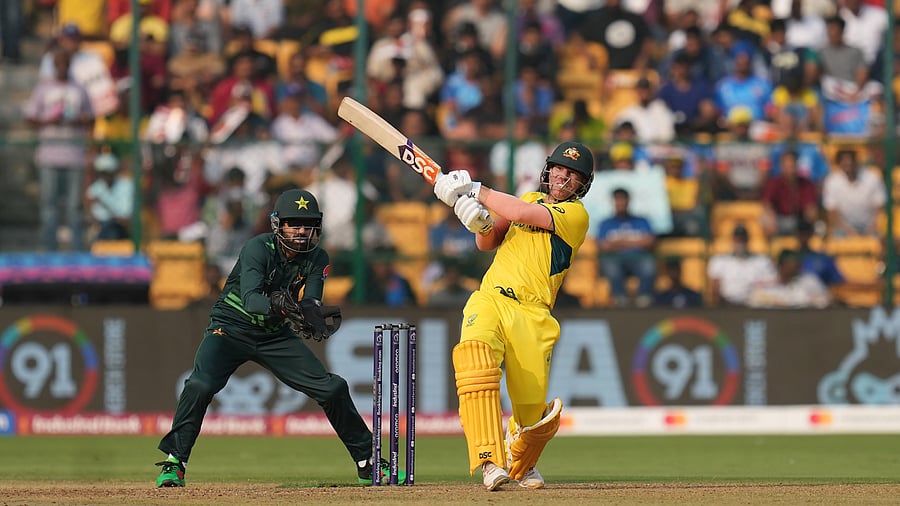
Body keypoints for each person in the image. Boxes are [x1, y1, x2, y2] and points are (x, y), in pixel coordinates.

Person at [155, 189, 397, 487]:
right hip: (230, 327)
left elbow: (311, 301)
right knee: (200, 385)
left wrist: (311, 315)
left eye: (307, 225)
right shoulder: (257, 248)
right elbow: (251, 299)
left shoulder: (317, 257)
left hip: (273, 335)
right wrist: (280, 304)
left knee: (332, 388)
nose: (301, 231)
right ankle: (174, 462)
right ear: (278, 225)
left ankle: (367, 462)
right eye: (294, 224)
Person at [432, 141, 594, 491]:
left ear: (582, 185)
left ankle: (520, 461)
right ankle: (489, 461)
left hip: (534, 315)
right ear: (548, 170)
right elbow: (489, 242)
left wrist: (475, 189)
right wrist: (478, 220)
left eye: (573, 176)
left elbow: (523, 215)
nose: (564, 179)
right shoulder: (529, 198)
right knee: (475, 363)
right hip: (490, 299)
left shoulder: (576, 216)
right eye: (559, 170)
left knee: (533, 416)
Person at [596, 188, 657, 308]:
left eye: (623, 200)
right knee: (610, 266)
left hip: (638, 258)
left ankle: (644, 299)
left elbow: (650, 241)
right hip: (615, 259)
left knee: (648, 264)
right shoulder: (606, 223)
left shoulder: (642, 220)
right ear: (613, 202)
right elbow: (603, 246)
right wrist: (635, 241)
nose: (621, 203)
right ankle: (620, 299)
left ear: (628, 201)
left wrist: (619, 242)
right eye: (617, 200)